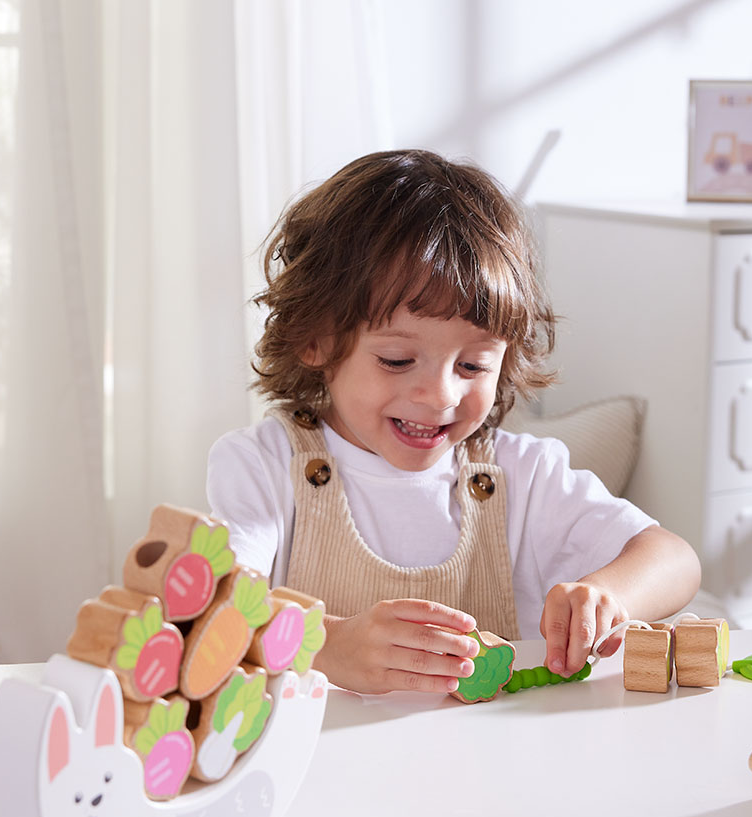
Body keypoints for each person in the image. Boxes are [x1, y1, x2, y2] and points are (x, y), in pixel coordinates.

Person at [206, 149, 700, 695]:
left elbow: (674, 560)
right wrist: (325, 645)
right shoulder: (263, 466)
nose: (441, 395)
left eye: (473, 366)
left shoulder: (522, 474)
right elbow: (216, 615)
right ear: (315, 340)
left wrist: (609, 595)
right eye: (397, 360)